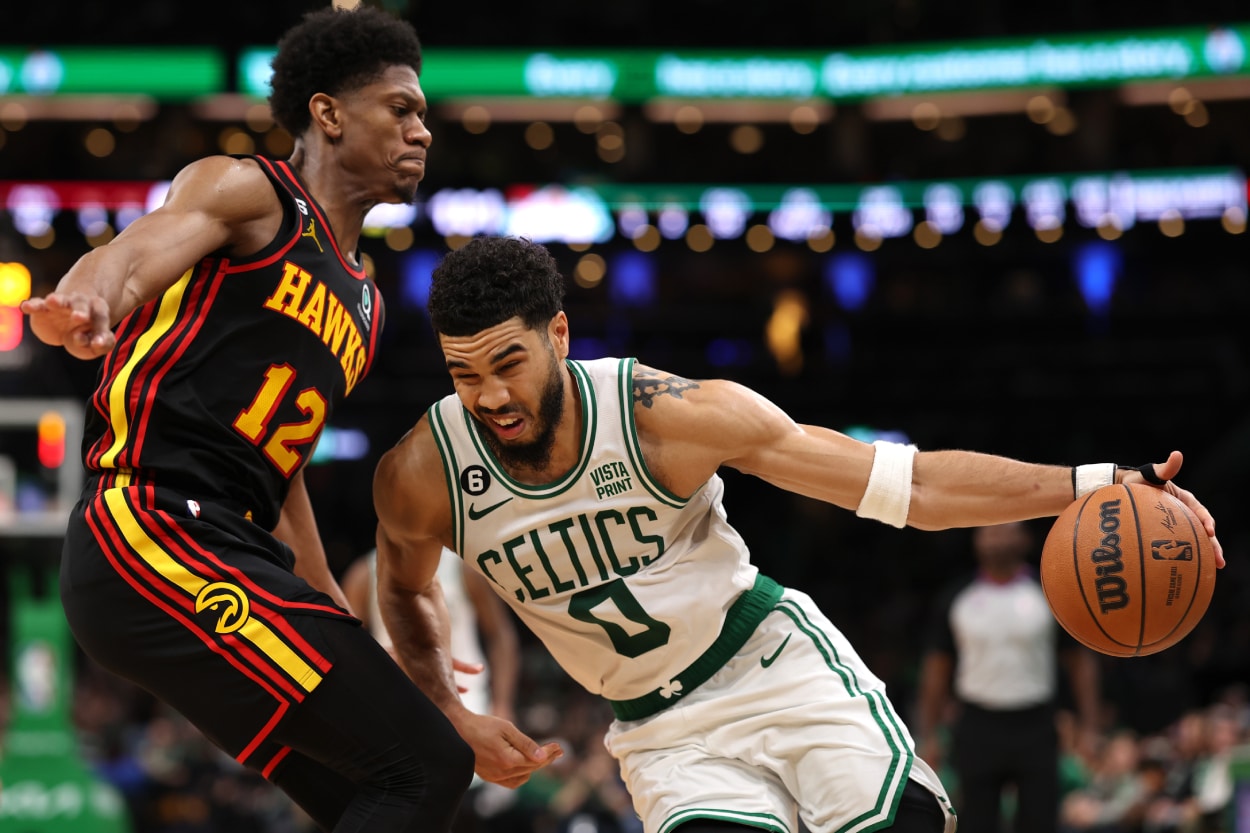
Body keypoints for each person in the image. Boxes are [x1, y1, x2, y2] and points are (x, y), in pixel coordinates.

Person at [371, 236, 1223, 833]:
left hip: (771, 665)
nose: (488, 397)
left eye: (507, 363)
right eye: (463, 373)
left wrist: (1093, 482)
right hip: (661, 729)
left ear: (558, 335)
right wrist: (445, 706)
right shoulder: (425, 469)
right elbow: (404, 585)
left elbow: (912, 485)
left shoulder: (665, 418)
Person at [19, 7, 487, 831]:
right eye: (401, 108)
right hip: (151, 527)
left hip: (230, 545)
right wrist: (92, 296)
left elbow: (285, 472)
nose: (422, 129)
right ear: (329, 113)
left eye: (423, 114)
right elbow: (139, 248)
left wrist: (336, 625)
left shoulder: (367, 303)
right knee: (430, 764)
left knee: (379, 795)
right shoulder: (251, 192)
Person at [914, 521, 1103, 833]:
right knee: (976, 821)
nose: (996, 538)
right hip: (977, 723)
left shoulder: (1050, 593)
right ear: (976, 540)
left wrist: (1091, 725)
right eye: (988, 531)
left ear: (1025, 539)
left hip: (1036, 722)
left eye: (1005, 530)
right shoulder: (957, 597)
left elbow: (1079, 662)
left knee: (1040, 819)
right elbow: (936, 670)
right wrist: (930, 733)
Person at [342, 546, 521, 722]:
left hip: (467, 697)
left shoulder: (461, 567)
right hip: (396, 702)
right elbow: (346, 647)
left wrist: (502, 704)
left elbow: (500, 634)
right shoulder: (363, 574)